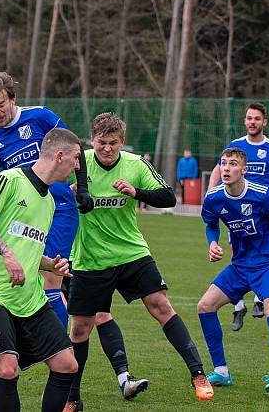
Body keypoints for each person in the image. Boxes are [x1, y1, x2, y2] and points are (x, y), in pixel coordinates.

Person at [65, 113, 213, 411]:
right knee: (79, 329)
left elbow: (169, 197)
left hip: (132, 253)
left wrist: (137, 193)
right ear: (92, 140)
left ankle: (198, 375)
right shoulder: (78, 163)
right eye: (102, 142)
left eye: (114, 143)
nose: (107, 148)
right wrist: (65, 194)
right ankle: (72, 397)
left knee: (161, 306)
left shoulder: (136, 164)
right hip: (91, 260)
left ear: (122, 142)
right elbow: (46, 185)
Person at [0, 71, 94, 330]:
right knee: (26, 277)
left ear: (13, 99)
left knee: (49, 277)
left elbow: (76, 148)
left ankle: (61, 349)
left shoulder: (39, 117)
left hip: (59, 207)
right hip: (21, 214)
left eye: (0, 104)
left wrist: (84, 188)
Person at [0, 128, 80, 412]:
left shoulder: (50, 201)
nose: (78, 166)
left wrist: (51, 265)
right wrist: (7, 253)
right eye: (76, 158)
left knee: (67, 363)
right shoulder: (9, 180)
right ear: (60, 155)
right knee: (6, 369)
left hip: (30, 299)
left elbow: (28, 248)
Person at [198, 147, 269, 398]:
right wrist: (212, 243)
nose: (226, 168)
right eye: (223, 163)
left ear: (244, 170)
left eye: (233, 164)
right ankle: (221, 371)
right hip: (240, 265)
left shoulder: (263, 195)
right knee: (205, 306)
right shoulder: (215, 198)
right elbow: (210, 224)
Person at [206, 102, 269, 331]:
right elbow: (219, 168)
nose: (252, 122)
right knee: (237, 254)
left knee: (264, 255)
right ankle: (239, 305)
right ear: (245, 121)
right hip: (236, 209)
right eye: (248, 118)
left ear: (264, 122)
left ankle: (259, 298)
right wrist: (210, 191)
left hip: (264, 213)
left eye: (256, 119)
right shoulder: (235, 147)